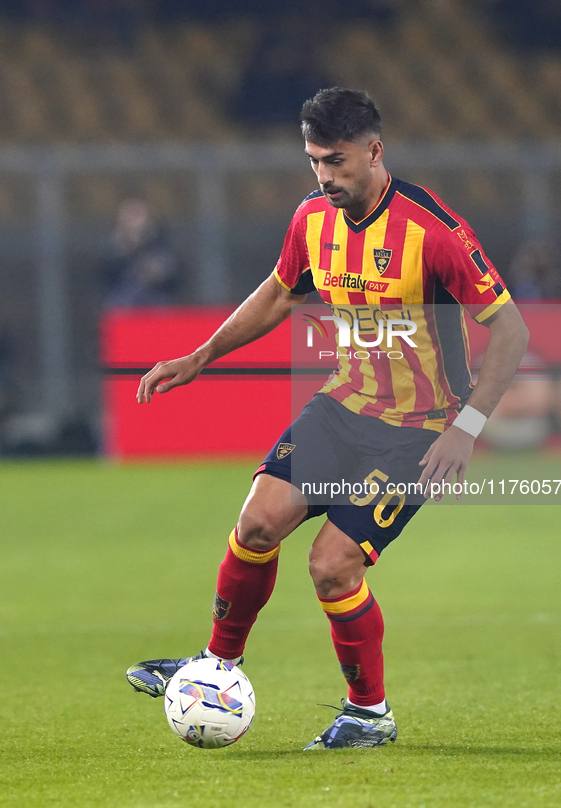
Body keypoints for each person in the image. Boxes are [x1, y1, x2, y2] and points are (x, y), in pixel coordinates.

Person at [126, 88, 529, 749]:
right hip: (344, 406)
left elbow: (509, 330)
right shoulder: (312, 217)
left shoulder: (433, 231)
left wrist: (468, 427)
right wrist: (201, 355)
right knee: (256, 521)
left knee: (332, 564)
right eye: (314, 161)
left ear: (374, 151)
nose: (324, 176)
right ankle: (217, 664)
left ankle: (368, 712)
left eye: (336, 161)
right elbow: (281, 293)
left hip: (419, 429)